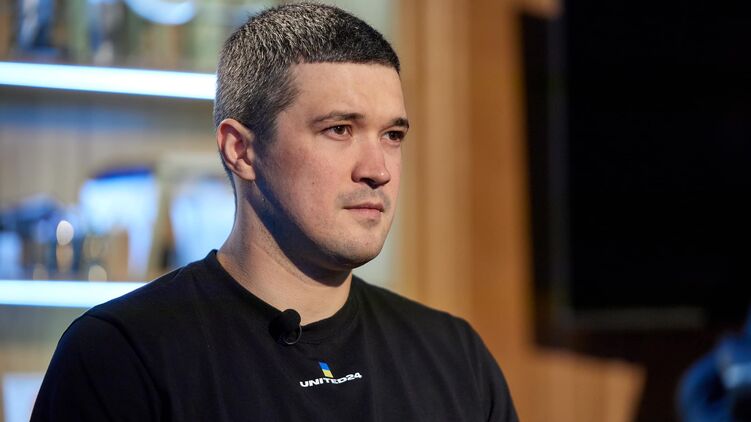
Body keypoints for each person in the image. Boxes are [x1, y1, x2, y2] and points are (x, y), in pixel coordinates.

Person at [31, 4, 518, 421]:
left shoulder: (454, 356)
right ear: (241, 150)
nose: (378, 170)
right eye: (340, 129)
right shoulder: (121, 355)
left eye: (392, 135)